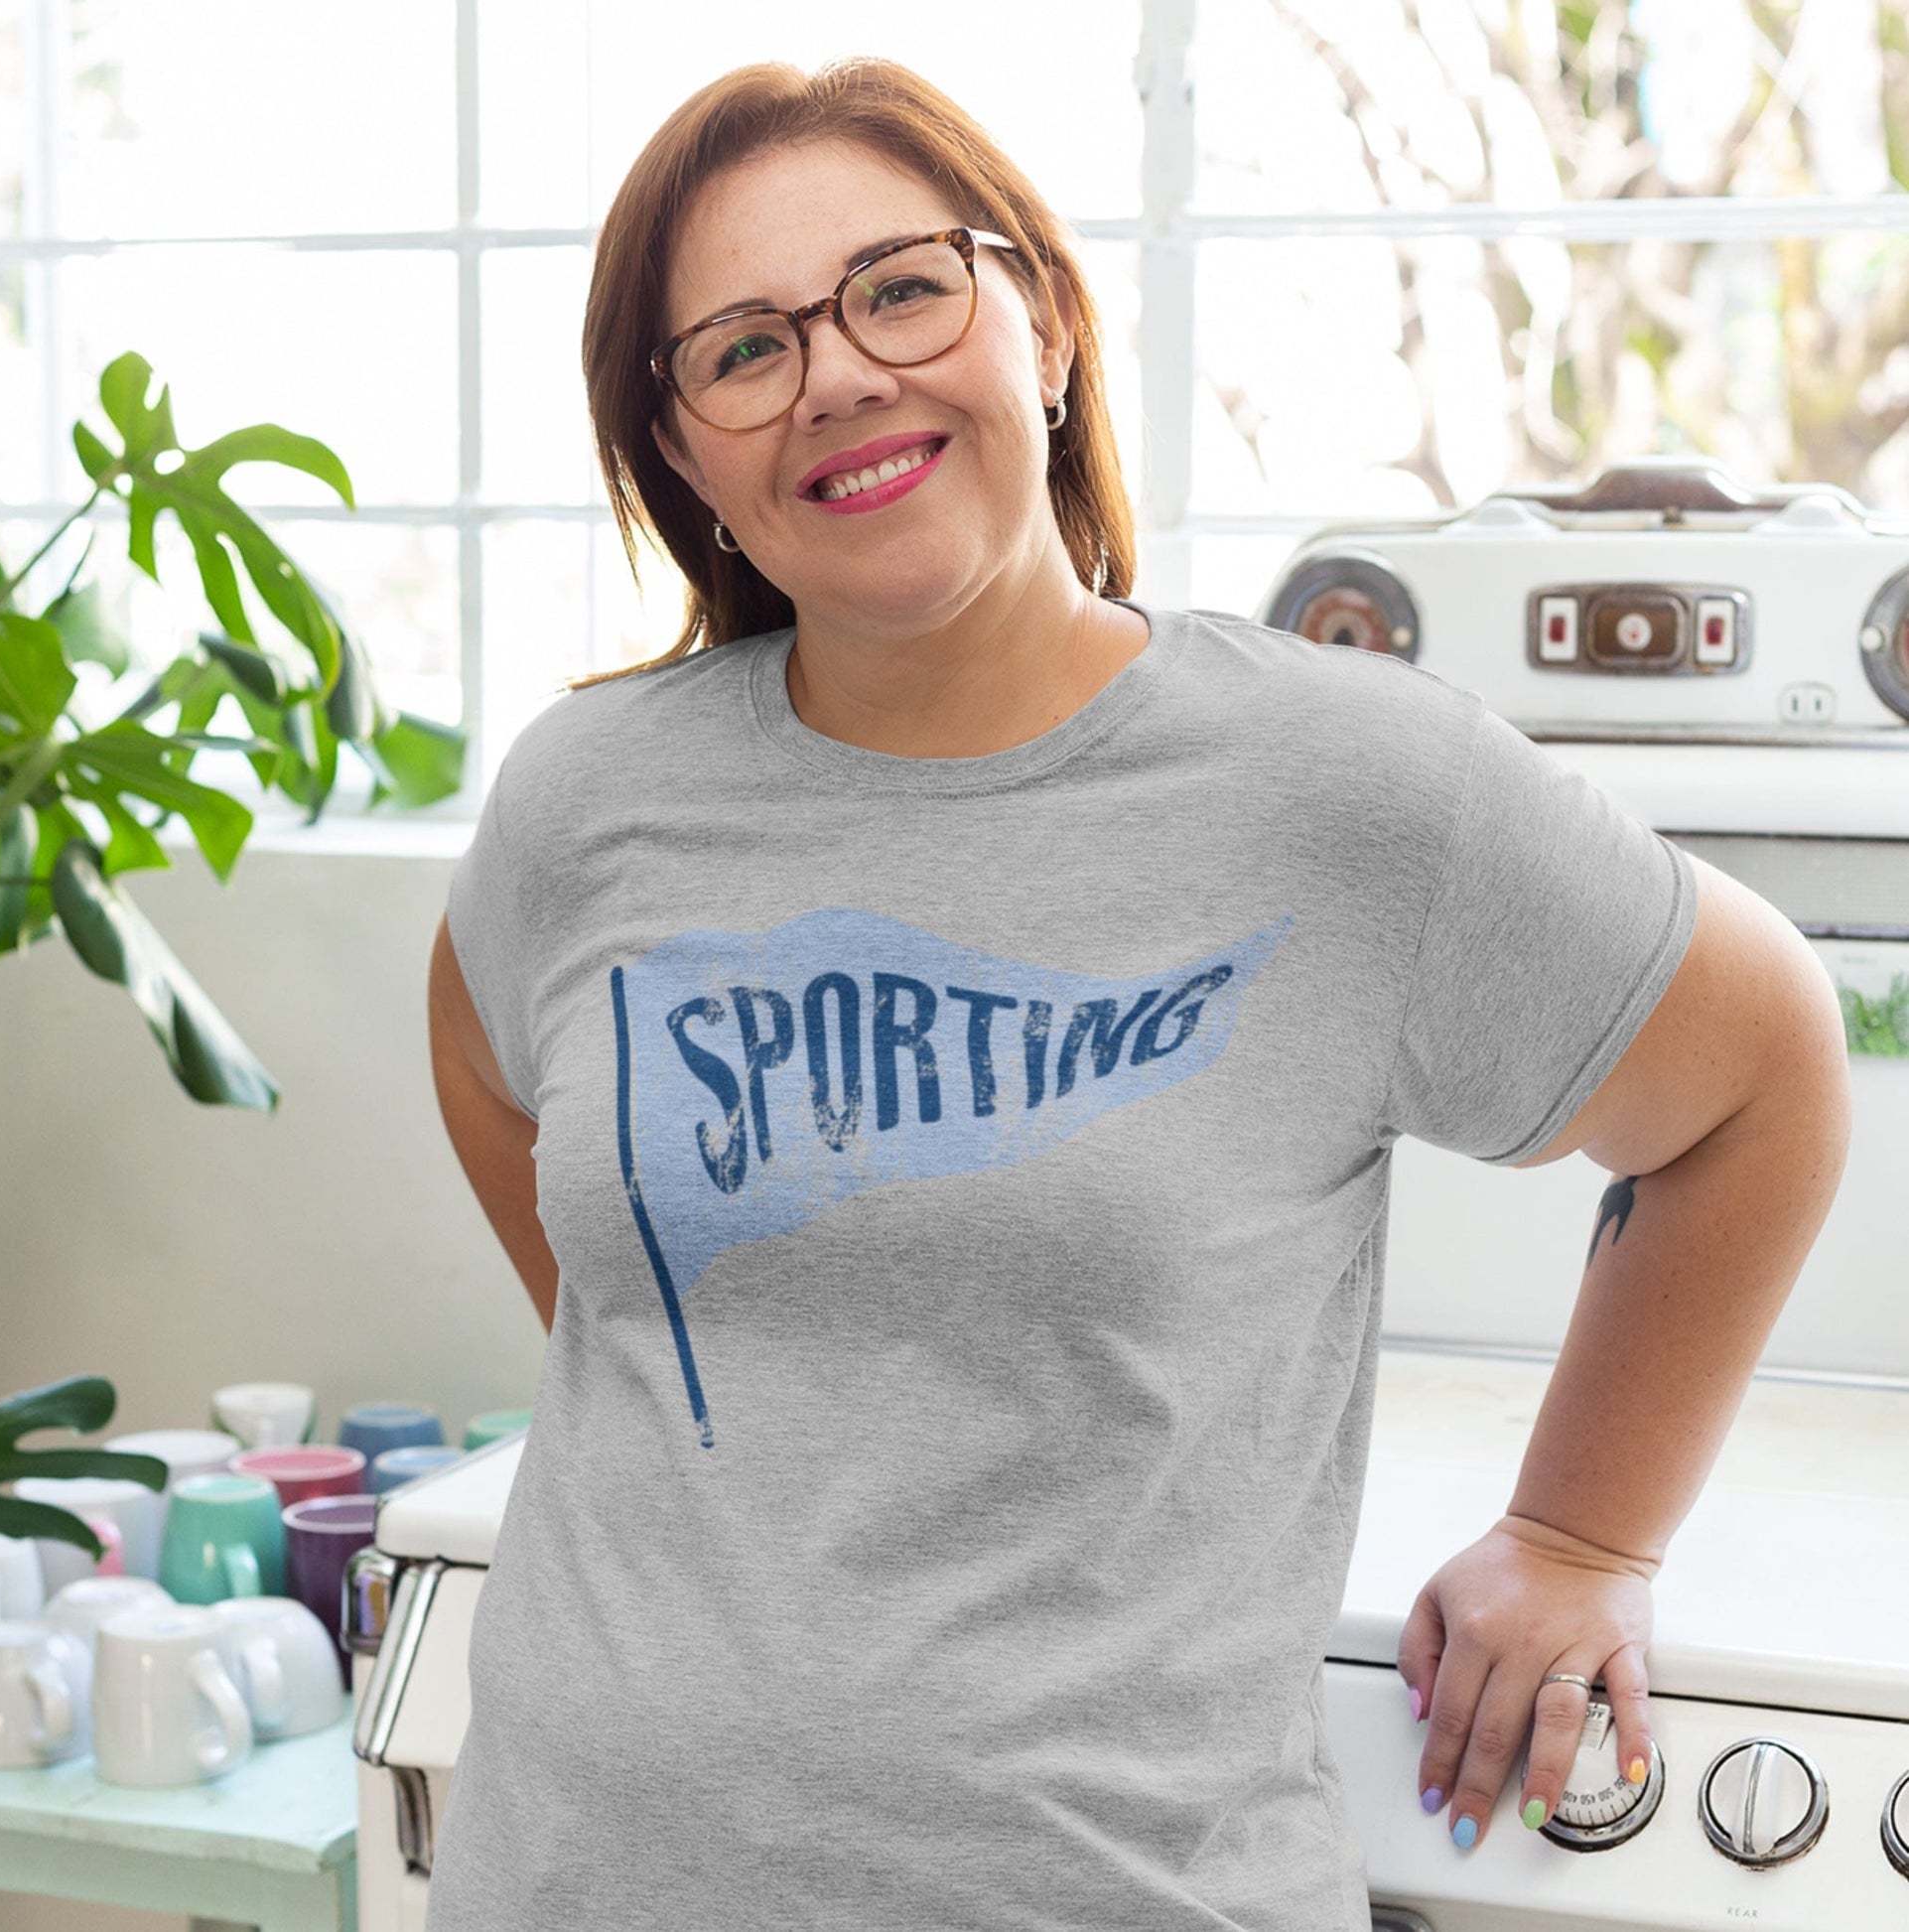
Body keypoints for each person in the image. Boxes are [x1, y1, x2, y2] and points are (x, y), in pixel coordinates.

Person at [424, 56, 1851, 1932]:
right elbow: (486, 1060)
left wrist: (1581, 1534)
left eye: (900, 286)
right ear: (683, 454)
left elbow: (1766, 1081)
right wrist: (704, 1392)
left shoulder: (1346, 791)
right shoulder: (588, 792)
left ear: (1047, 324)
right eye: (742, 349)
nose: (838, 371)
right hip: (582, 1874)